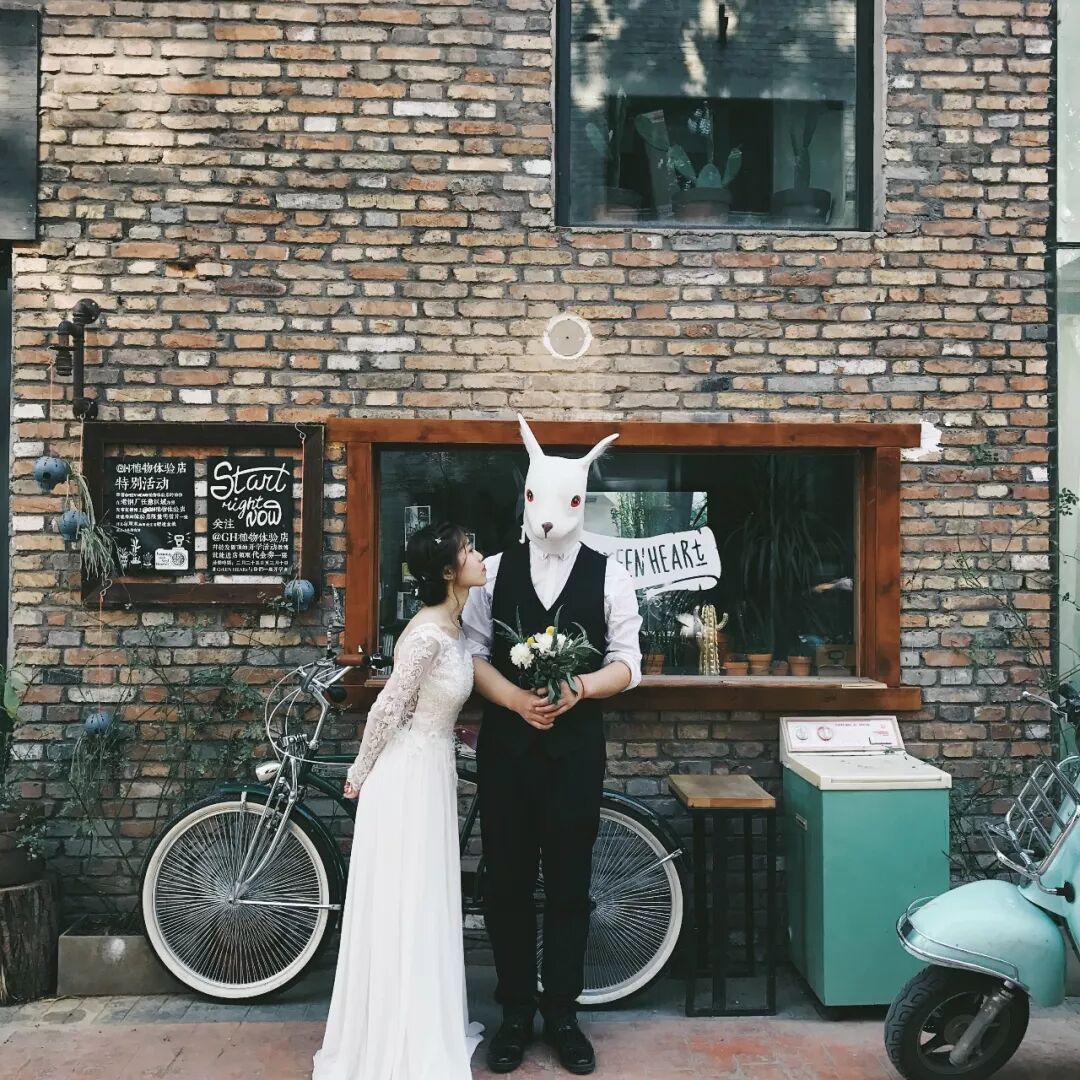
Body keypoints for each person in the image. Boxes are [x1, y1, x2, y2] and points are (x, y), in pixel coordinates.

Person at [462, 417, 642, 1076]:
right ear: (527, 497)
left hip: (574, 755)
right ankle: (514, 1013)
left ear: (580, 502)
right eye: (536, 500)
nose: (546, 518)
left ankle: (563, 1014)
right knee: (506, 885)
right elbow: (471, 653)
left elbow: (629, 663)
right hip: (506, 754)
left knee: (569, 886)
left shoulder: (610, 575)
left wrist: (582, 687)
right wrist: (513, 699)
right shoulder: (493, 571)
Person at [313, 522, 486, 1080]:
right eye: (470, 551)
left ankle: (424, 1020)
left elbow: (431, 704)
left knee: (425, 896)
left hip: (432, 767)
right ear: (449, 571)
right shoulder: (427, 633)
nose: (479, 556)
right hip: (407, 777)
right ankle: (396, 1038)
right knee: (406, 899)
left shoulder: (453, 626)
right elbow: (388, 708)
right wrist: (359, 773)